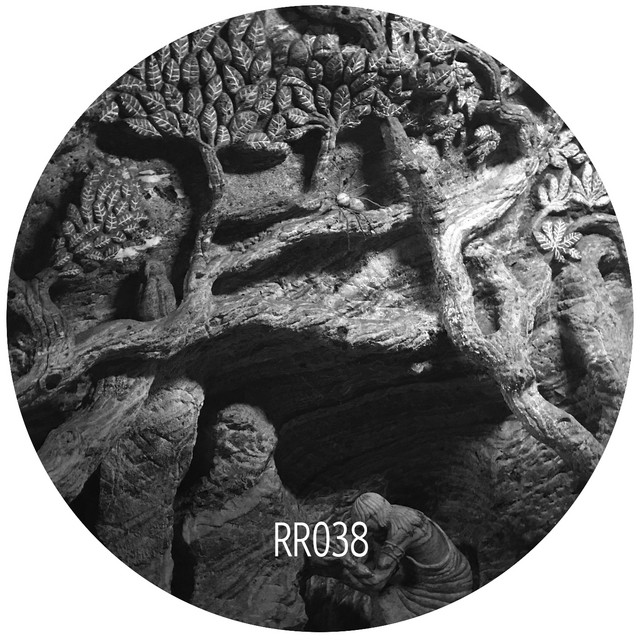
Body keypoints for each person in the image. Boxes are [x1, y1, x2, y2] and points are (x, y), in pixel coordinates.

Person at [337, 492, 473, 625]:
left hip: (446, 587)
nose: (366, 531)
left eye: (365, 525)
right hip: (458, 567)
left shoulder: (401, 531)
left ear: (373, 517)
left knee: (387, 597)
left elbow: (377, 582)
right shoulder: (393, 512)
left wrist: (348, 562)